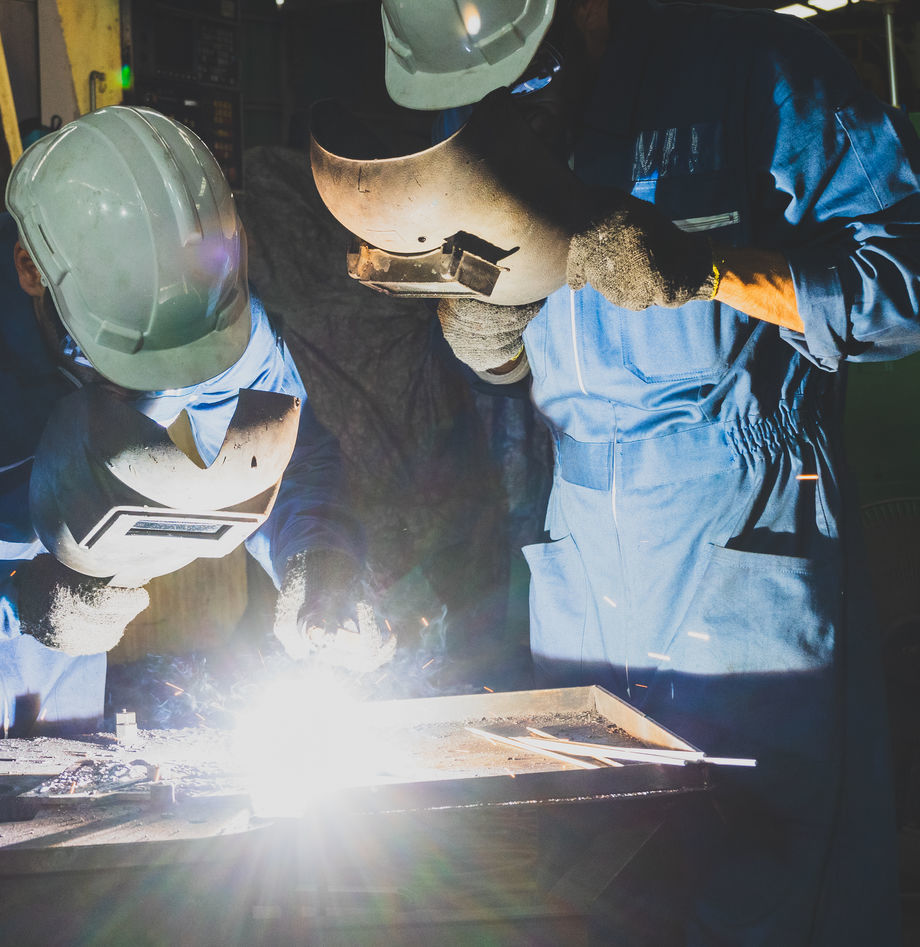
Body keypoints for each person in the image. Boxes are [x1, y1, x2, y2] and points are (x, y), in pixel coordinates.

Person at [342, 0, 920, 941]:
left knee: (762, 873)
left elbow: (905, 285)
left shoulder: (763, 67)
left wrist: (715, 271)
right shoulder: (493, 104)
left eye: (522, 70)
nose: (509, 97)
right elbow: (526, 348)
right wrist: (489, 333)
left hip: (741, 525)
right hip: (581, 543)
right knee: (593, 876)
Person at [0, 106, 389, 750]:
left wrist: (318, 556)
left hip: (61, 631)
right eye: (124, 361)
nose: (155, 385)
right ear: (31, 269)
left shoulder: (199, 314)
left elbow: (284, 450)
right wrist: (13, 602)